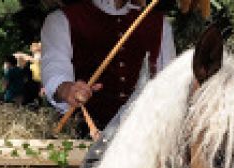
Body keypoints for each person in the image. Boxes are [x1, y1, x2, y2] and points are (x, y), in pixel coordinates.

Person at [41, 0, 176, 133]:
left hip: (142, 137)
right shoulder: (62, 19)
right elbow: (55, 69)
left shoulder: (158, 23)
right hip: (84, 137)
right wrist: (68, 89)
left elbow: (169, 85)